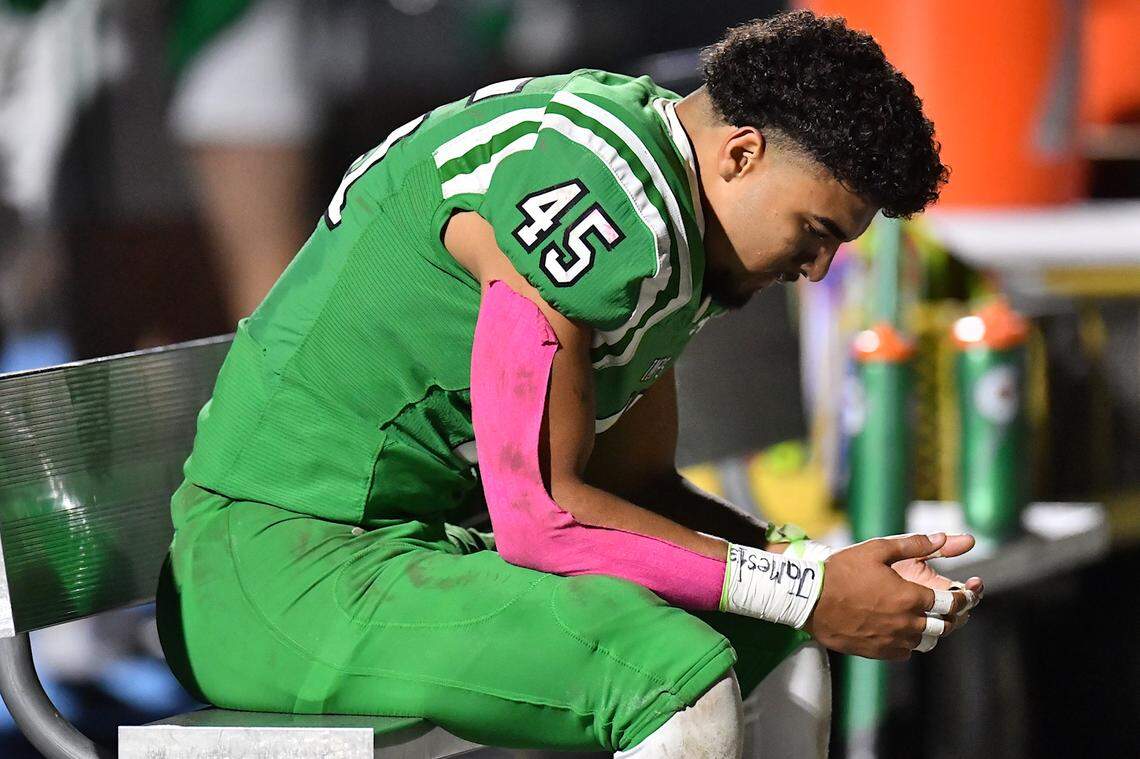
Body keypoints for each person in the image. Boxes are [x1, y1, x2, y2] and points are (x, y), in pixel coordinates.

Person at [156, 10, 983, 757]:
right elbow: (541, 518)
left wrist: (820, 569)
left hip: (399, 553)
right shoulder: (605, 193)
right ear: (742, 153)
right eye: (816, 230)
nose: (816, 268)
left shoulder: (670, 195)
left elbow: (633, 490)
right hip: (274, 567)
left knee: (772, 641)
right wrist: (804, 589)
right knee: (672, 677)